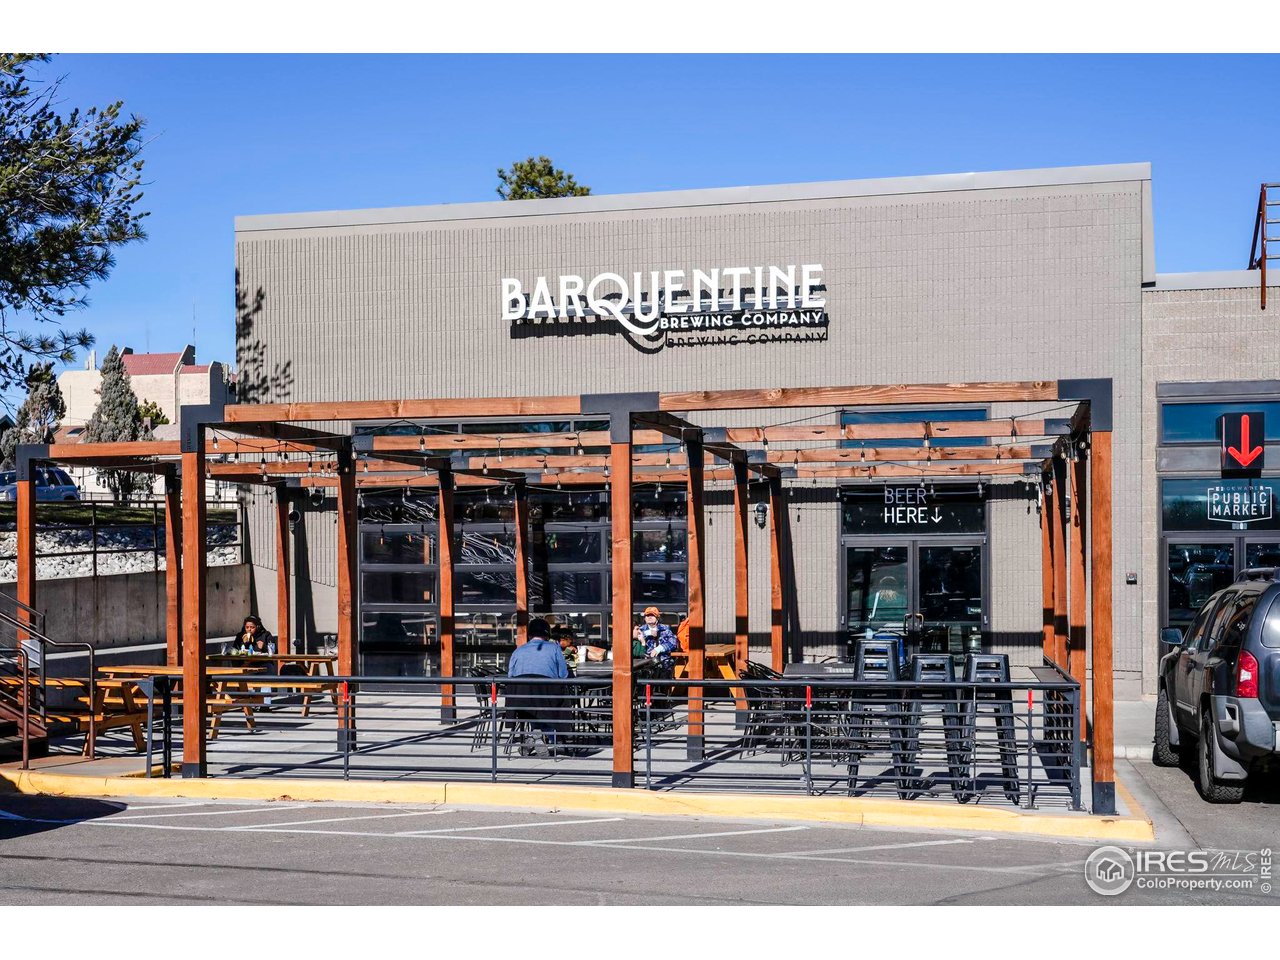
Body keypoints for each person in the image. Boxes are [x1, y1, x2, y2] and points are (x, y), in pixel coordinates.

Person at [506, 617, 568, 757]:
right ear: (547, 634)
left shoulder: (518, 651)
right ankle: (540, 735)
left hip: (521, 701)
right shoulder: (554, 649)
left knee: (534, 707)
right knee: (552, 702)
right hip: (547, 700)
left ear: (530, 634)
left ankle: (534, 735)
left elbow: (511, 676)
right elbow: (563, 675)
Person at [633, 606, 678, 678]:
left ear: (657, 617)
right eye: (647, 615)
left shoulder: (665, 629)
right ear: (644, 618)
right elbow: (631, 636)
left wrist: (659, 648)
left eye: (652, 615)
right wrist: (647, 633)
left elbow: (673, 643)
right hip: (645, 664)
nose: (649, 617)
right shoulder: (640, 629)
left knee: (664, 682)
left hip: (664, 663)